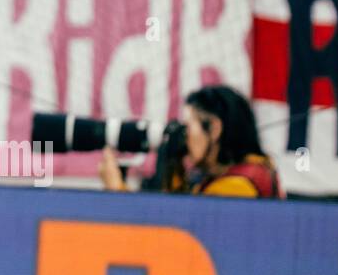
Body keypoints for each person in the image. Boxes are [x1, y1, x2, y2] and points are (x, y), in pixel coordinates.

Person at [100, 85, 283, 198]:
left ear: (213, 128)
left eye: (187, 127)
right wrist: (173, 167)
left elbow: (171, 237)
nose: (183, 136)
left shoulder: (236, 187)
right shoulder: (246, 171)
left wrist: (117, 190)